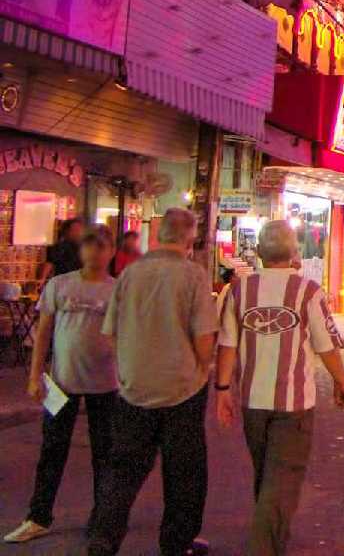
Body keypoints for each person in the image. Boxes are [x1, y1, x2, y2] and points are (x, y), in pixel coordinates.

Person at [214, 221, 344, 555]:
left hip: (252, 402)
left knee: (267, 475)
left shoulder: (239, 291)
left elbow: (228, 345)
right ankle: (263, 546)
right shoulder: (308, 292)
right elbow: (325, 346)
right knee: (282, 480)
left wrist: (222, 391)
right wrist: (341, 381)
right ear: (295, 254)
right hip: (294, 407)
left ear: (259, 253)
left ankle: (274, 538)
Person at [88, 208, 218, 556]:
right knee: (184, 473)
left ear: (159, 235)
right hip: (182, 389)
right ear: (190, 238)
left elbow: (111, 333)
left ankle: (104, 536)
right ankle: (176, 544)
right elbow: (205, 338)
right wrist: (204, 369)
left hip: (134, 388)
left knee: (123, 469)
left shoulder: (130, 274)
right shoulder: (193, 276)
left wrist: (130, 367)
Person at [5, 227, 117, 545]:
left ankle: (102, 518)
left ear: (110, 252)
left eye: (102, 247)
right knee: (52, 449)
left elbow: (125, 335)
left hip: (106, 383)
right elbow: (43, 333)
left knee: (104, 454)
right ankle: (38, 516)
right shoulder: (60, 285)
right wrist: (34, 375)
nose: (96, 254)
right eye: (90, 247)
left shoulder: (117, 289)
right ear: (82, 251)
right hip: (62, 381)